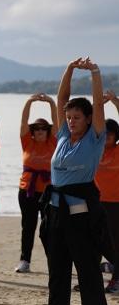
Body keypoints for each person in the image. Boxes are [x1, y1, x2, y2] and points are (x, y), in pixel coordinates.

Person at [44, 57, 107, 305]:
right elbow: (61, 100)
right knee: (57, 273)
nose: (71, 121)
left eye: (77, 117)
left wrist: (94, 72)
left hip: (81, 214)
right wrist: (69, 69)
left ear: (89, 119)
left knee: (88, 272)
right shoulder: (62, 135)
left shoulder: (95, 138)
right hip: (56, 212)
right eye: (68, 117)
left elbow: (99, 105)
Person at [15, 93, 57, 273]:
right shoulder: (27, 143)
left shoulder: (53, 142)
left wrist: (51, 103)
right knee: (28, 226)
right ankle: (25, 260)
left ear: (48, 131)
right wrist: (29, 101)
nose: (40, 131)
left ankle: (54, 259)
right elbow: (23, 122)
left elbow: (58, 121)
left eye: (43, 128)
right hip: (27, 191)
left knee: (49, 227)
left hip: (48, 192)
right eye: (37, 129)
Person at [95, 89, 119, 293]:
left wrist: (115, 101)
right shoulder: (95, 148)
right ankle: (92, 280)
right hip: (95, 202)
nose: (107, 137)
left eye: (111, 134)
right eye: (105, 133)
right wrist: (99, 106)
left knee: (114, 243)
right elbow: (92, 124)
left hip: (115, 203)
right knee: (96, 243)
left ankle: (115, 280)